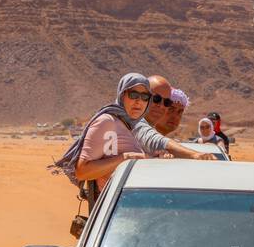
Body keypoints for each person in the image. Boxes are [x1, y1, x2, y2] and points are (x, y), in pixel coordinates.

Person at [56, 73, 216, 204]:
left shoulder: (127, 124)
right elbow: (83, 171)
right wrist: (195, 155)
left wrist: (153, 159)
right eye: (134, 95)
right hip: (114, 211)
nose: (161, 106)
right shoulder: (112, 121)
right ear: (122, 94)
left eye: (166, 102)